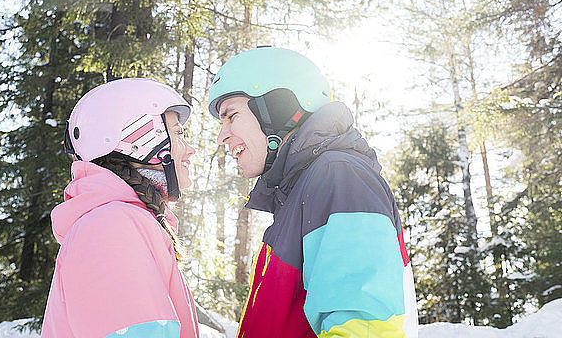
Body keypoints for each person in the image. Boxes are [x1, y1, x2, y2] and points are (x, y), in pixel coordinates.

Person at [208, 47, 419, 338]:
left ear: (277, 107)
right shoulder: (301, 194)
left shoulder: (340, 177)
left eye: (231, 116)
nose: (222, 136)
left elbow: (363, 330)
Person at [41, 78, 198, 338]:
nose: (190, 150)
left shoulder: (122, 222)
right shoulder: (110, 226)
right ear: (141, 139)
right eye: (179, 134)